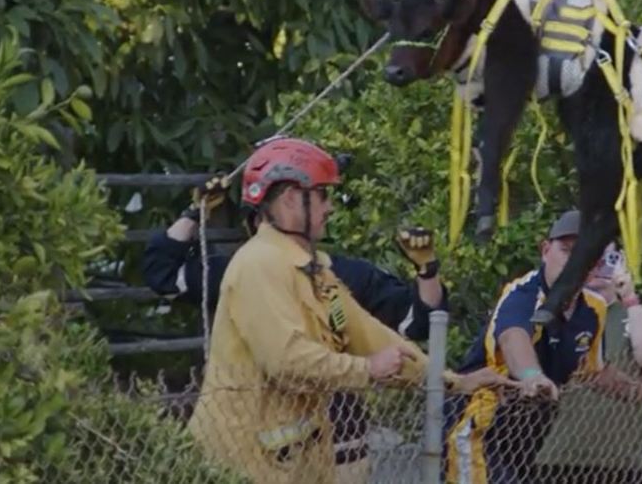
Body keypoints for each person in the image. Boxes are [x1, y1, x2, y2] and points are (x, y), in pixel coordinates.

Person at [185, 137, 510, 484]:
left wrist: (452, 381)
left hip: (289, 462)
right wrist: (367, 369)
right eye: (323, 194)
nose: (330, 208)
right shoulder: (259, 264)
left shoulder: (314, 270)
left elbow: (368, 336)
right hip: (241, 465)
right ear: (292, 198)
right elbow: (286, 360)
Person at [142, 164, 451, 475]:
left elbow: (417, 324)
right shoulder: (246, 270)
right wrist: (196, 212)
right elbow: (164, 276)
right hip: (267, 454)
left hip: (341, 446)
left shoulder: (339, 275)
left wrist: (427, 271)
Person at [443, 210, 642, 484]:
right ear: (546, 250)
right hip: (478, 427)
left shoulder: (593, 309)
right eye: (565, 250)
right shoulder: (523, 292)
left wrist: (635, 390)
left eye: (581, 253)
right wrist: (531, 376)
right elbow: (514, 338)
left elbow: (592, 370)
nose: (572, 260)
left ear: (594, 263)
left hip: (527, 438)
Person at [535, 243, 642, 483]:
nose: (598, 265)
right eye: (590, 257)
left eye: (607, 258)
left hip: (630, 464)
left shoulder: (637, 314)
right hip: (560, 459)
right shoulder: (556, 313)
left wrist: (628, 297)